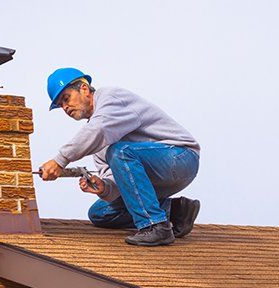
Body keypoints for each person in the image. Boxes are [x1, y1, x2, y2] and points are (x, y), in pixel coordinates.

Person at [40, 68, 201, 246]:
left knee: (121, 152)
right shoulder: (98, 141)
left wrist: (60, 160)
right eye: (61, 105)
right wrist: (104, 188)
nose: (65, 107)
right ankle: (177, 211)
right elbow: (118, 181)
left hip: (181, 157)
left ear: (84, 88)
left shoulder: (111, 98)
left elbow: (99, 129)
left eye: (66, 98)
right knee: (100, 213)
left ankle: (155, 226)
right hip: (156, 176)